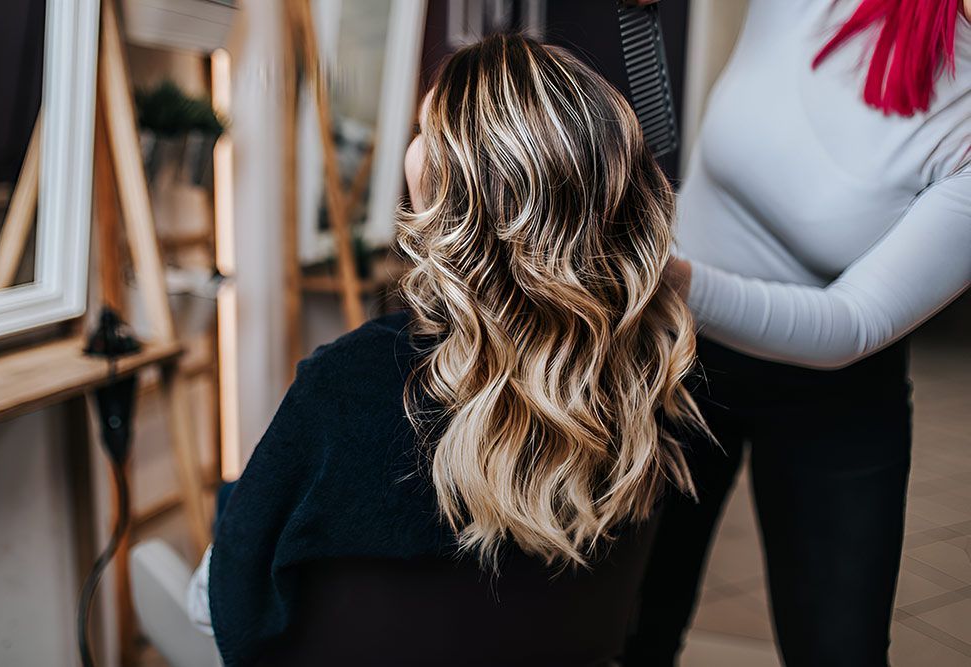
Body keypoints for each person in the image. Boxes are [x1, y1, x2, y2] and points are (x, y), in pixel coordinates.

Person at [190, 33, 707, 666]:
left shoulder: (352, 385)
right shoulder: (647, 376)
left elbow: (233, 614)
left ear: (449, 181)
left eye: (421, 131)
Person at [627, 1, 970, 665]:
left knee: (840, 649)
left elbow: (852, 323)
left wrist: (660, 276)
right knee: (633, 626)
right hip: (676, 361)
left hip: (836, 394)